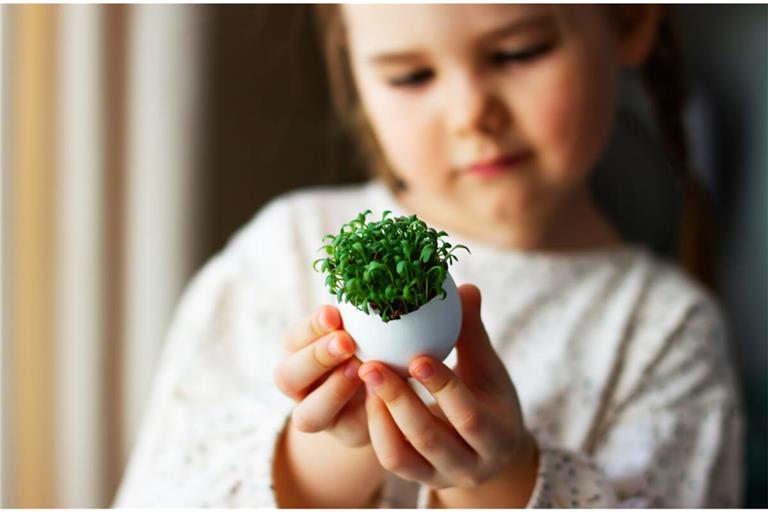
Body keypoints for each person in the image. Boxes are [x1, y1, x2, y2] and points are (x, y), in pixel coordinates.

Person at [113, 5, 743, 508]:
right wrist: (327, 458)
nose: (471, 113)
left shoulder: (663, 328)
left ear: (630, 20)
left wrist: (500, 479)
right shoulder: (285, 252)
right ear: (354, 68)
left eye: (517, 52)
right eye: (411, 76)